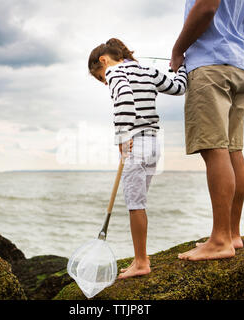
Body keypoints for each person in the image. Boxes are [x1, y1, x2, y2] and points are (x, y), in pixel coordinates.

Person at [88, 38, 187, 278]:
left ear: (103, 60)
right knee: (139, 203)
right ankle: (142, 255)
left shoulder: (115, 71)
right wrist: (180, 67)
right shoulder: (148, 70)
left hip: (136, 142)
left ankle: (141, 262)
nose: (105, 81)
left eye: (101, 77)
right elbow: (179, 87)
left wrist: (123, 136)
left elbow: (123, 97)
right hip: (154, 143)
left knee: (135, 205)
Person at [170, 0, 244, 261]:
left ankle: (220, 240)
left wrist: (177, 51)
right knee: (233, 150)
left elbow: (207, 7)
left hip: (211, 66)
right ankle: (231, 234)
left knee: (215, 149)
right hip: (241, 65)